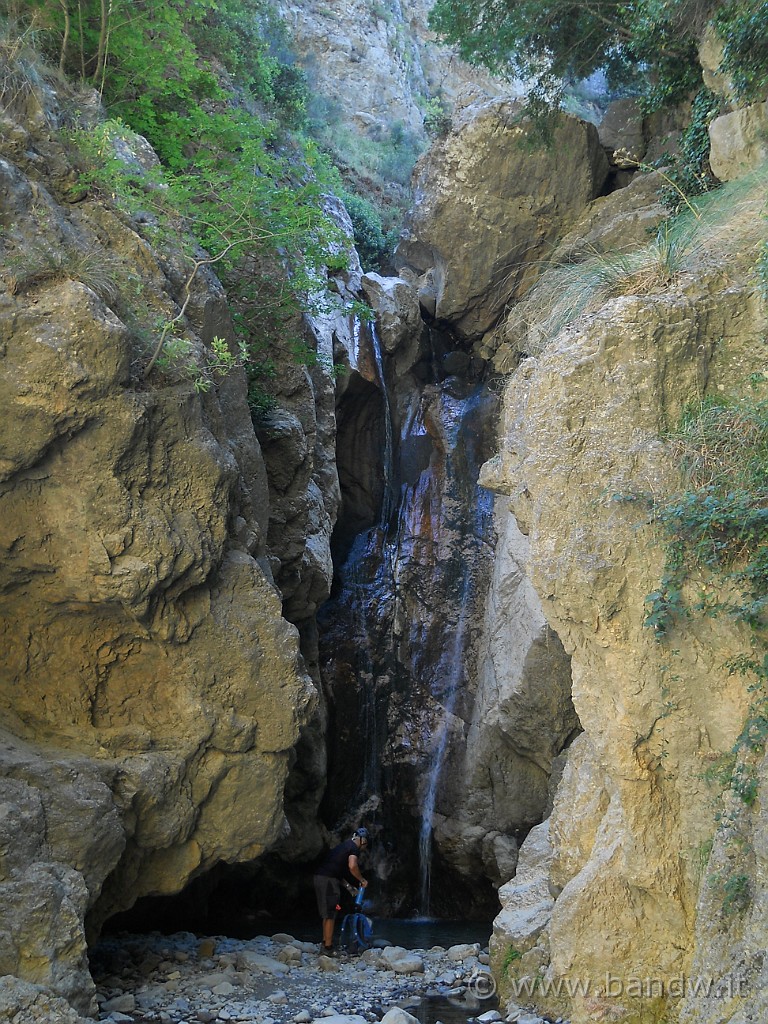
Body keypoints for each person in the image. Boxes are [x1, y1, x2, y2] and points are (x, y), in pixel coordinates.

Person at [313, 828, 370, 955]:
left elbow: (336, 871)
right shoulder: (354, 848)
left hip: (320, 878)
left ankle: (325, 943)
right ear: (363, 840)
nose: (364, 848)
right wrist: (362, 879)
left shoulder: (343, 847)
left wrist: (350, 887)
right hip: (328, 881)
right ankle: (328, 948)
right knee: (331, 913)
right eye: (365, 845)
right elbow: (352, 866)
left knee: (327, 912)